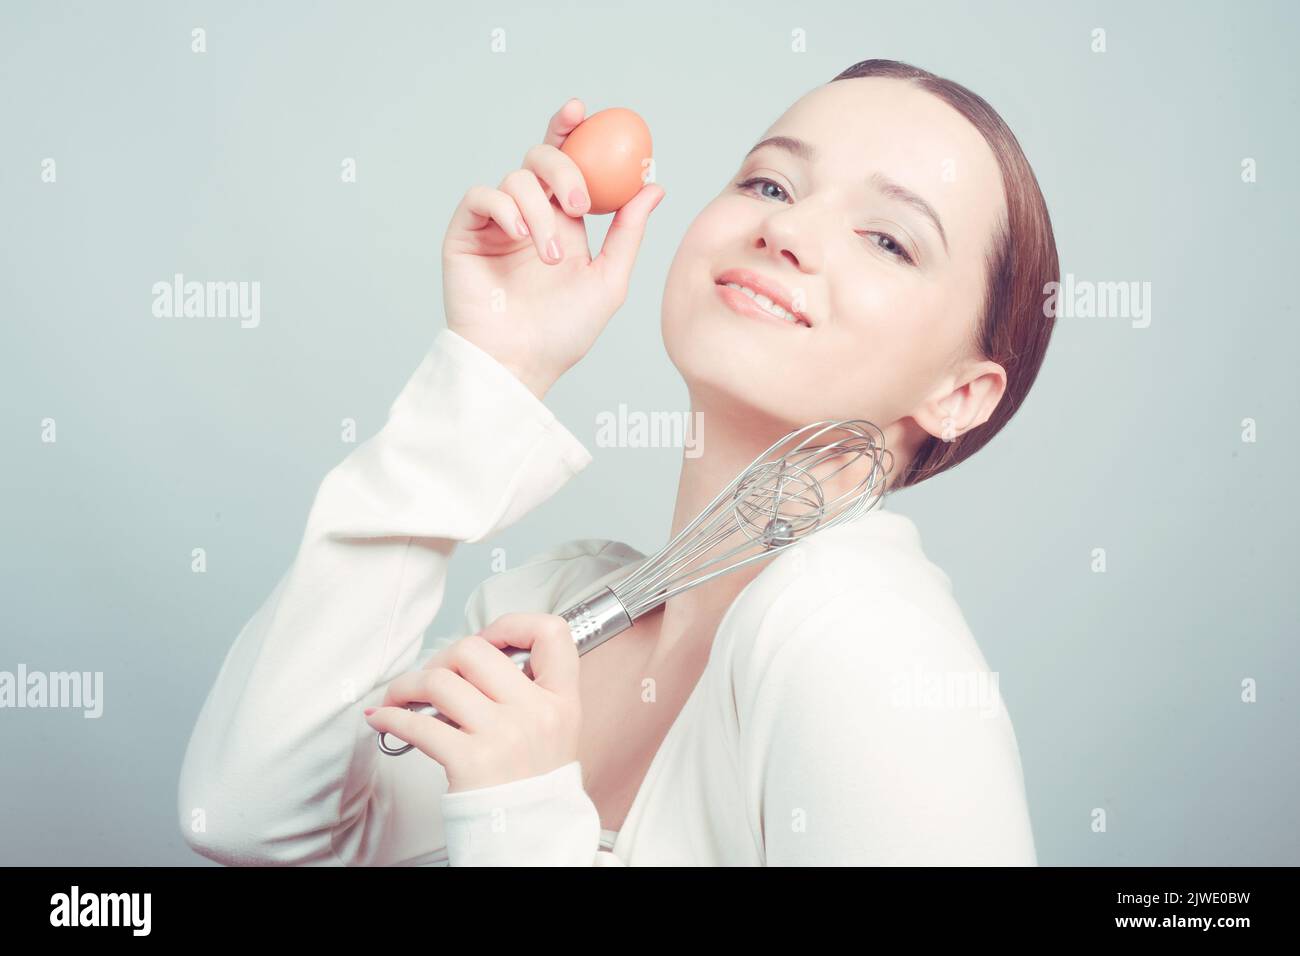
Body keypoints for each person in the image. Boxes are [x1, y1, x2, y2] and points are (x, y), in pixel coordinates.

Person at [178, 59, 1057, 866]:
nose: (787, 226)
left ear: (961, 394)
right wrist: (498, 368)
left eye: (890, 240)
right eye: (770, 181)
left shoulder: (866, 632)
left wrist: (521, 818)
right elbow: (251, 817)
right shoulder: (551, 611)